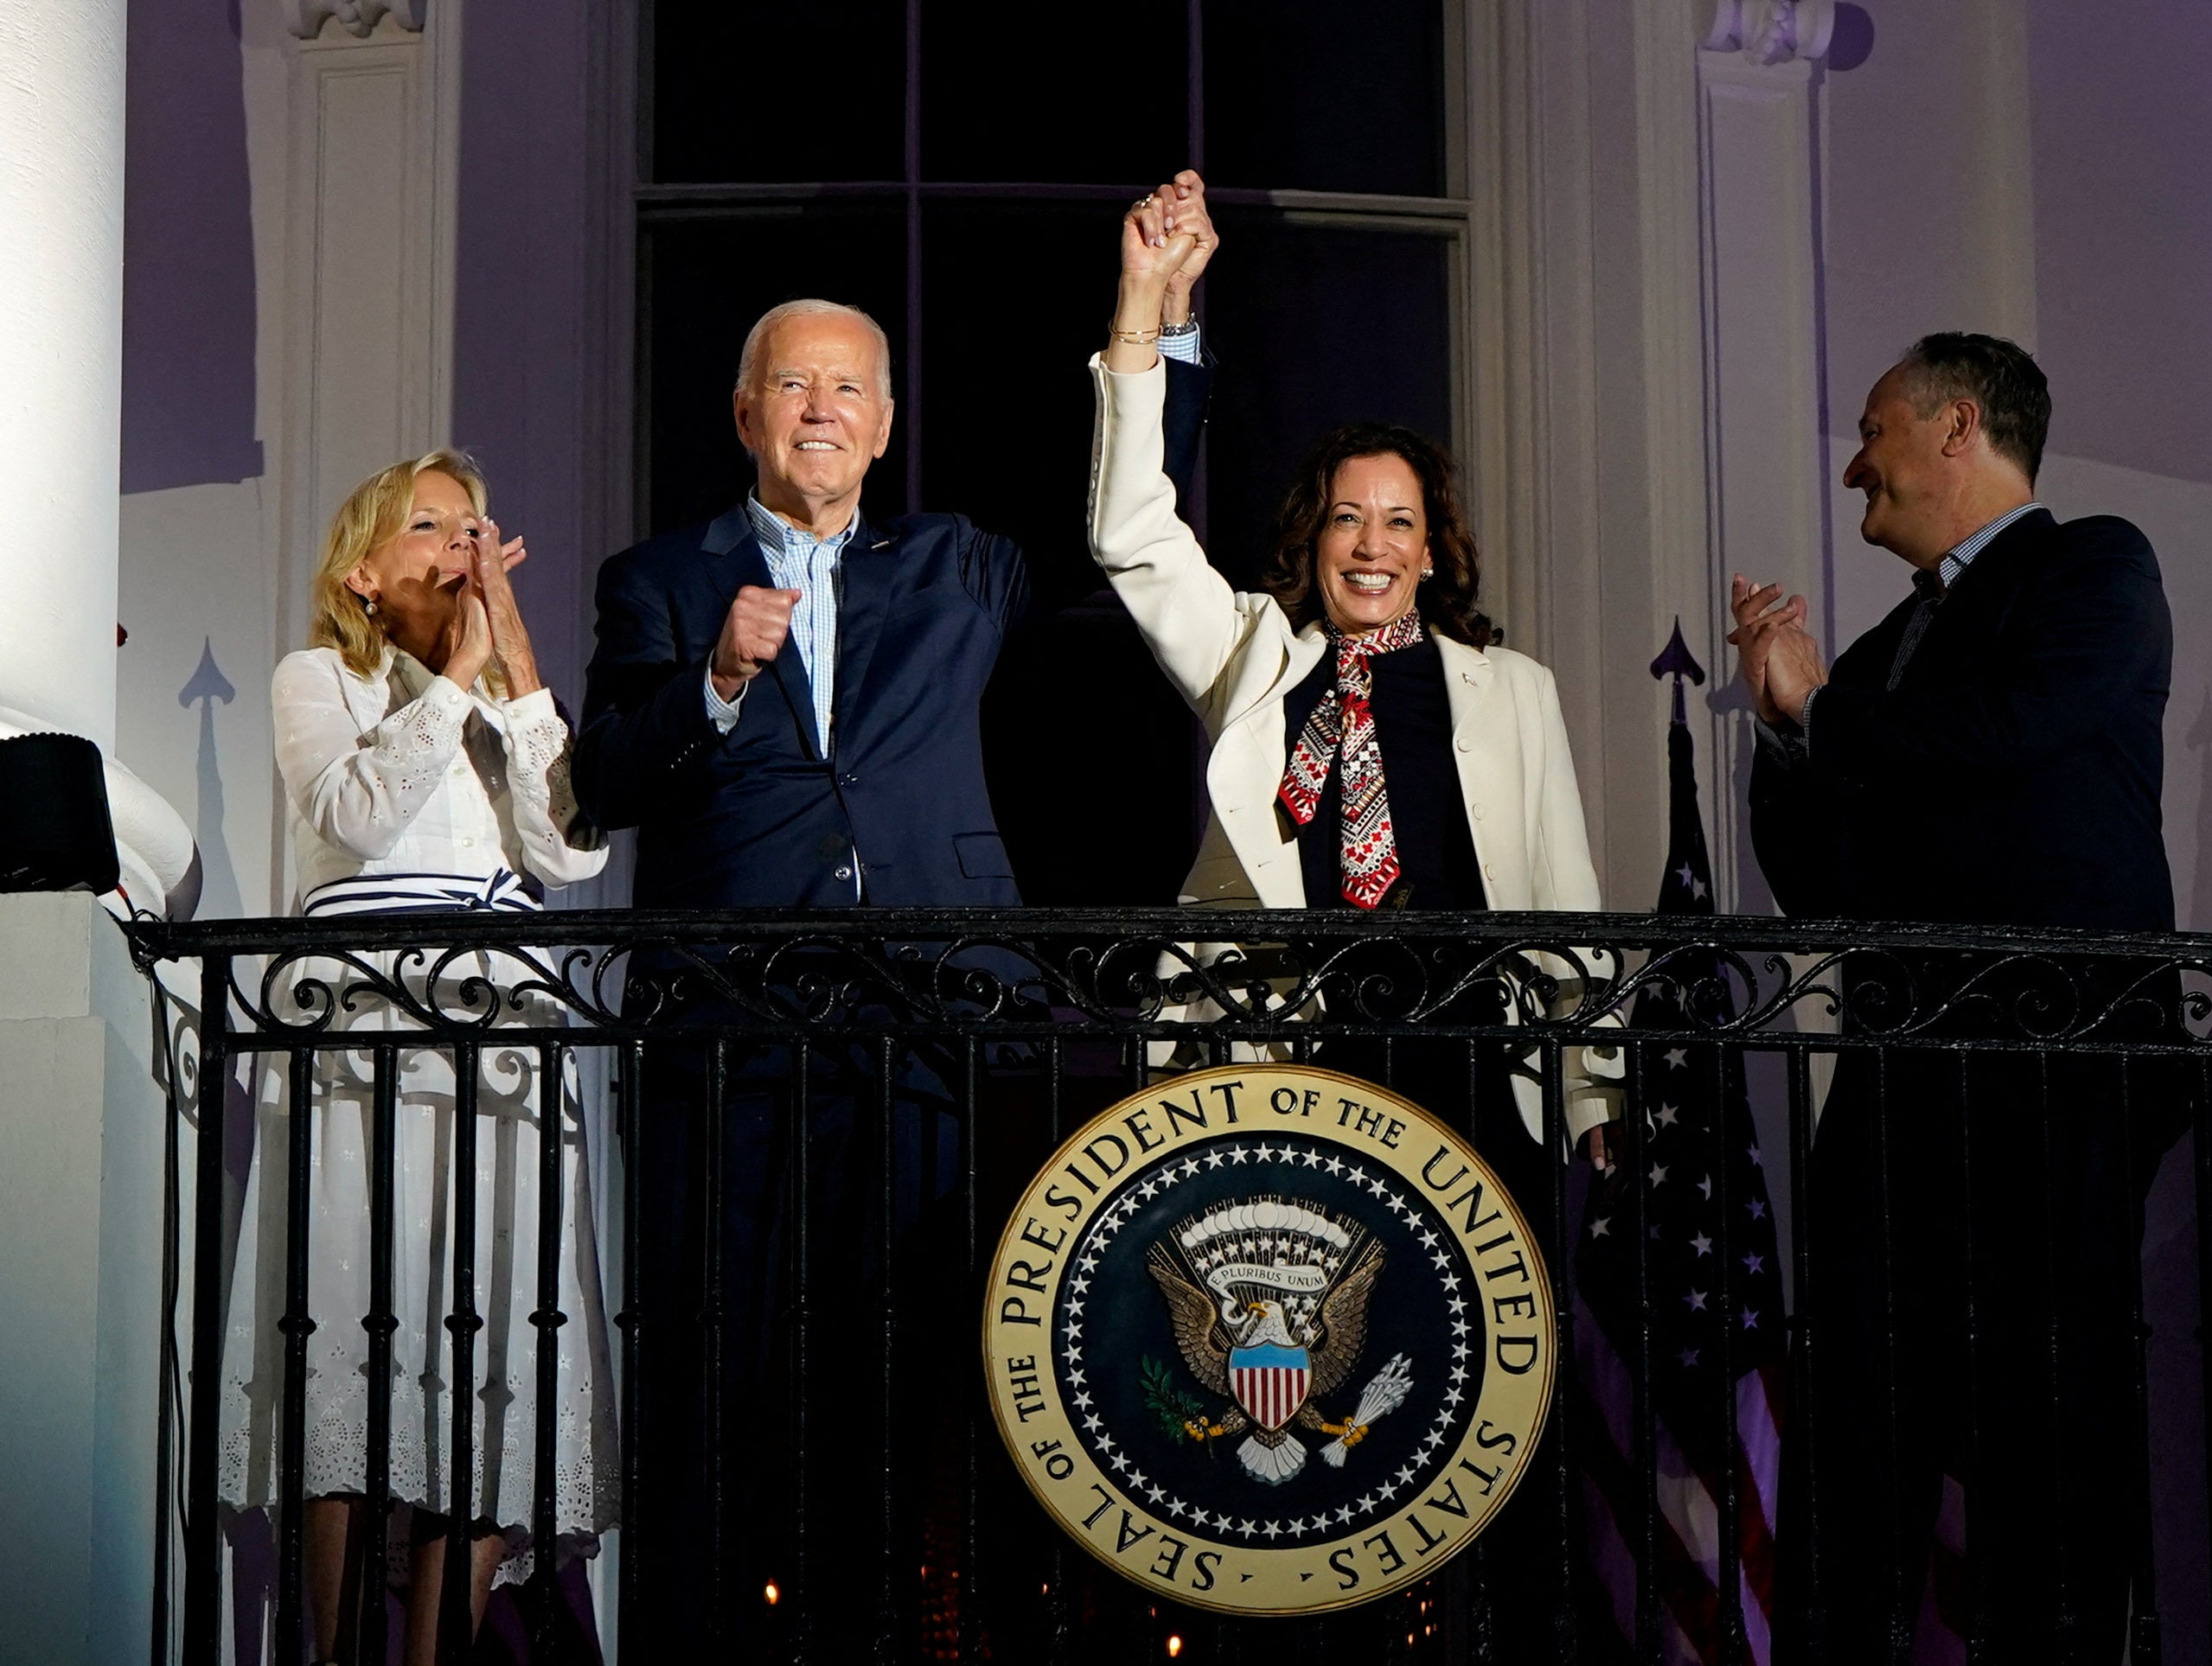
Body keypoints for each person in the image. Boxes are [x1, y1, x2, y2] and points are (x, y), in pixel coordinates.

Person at [569, 176, 1216, 1652]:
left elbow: (1140, 518)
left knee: (911, 1378)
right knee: (721, 1379)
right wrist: (715, 685)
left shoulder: (959, 565)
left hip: (930, 1021)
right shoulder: (662, 580)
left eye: (848, 387)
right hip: (731, 1033)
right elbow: (600, 777)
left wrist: (1151, 325)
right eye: (792, 383)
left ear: (887, 420)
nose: (821, 408)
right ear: (744, 415)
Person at [1729, 333, 2174, 1657]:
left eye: (1874, 428)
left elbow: (2008, 732)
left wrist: (1822, 712)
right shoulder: (1872, 655)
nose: (1856, 461)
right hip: (1895, 1076)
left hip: (2053, 1060)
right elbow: (1817, 878)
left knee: (2049, 1415)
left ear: (1955, 427)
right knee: (1857, 1420)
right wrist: (1778, 719)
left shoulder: (2093, 564)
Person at [1088, 182, 1618, 1149]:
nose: (1371, 545)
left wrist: (1591, 1094)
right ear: (1313, 537)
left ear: (1429, 549)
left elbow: (1564, 894)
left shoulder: (1513, 689)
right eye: (1348, 517)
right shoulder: (1253, 656)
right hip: (1290, 1063)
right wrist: (1140, 307)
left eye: (1398, 522)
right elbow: (1132, 533)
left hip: (1470, 1060)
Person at [221, 451, 615, 1665]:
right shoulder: (320, 679)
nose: (462, 541)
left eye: (472, 525)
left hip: (499, 1049)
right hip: (370, 1050)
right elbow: (352, 813)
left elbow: (567, 853)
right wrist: (452, 678)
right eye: (430, 524)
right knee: (358, 1319)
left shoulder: (495, 702)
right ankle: (332, 1643)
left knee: (490, 1335)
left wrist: (519, 665)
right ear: (362, 571)